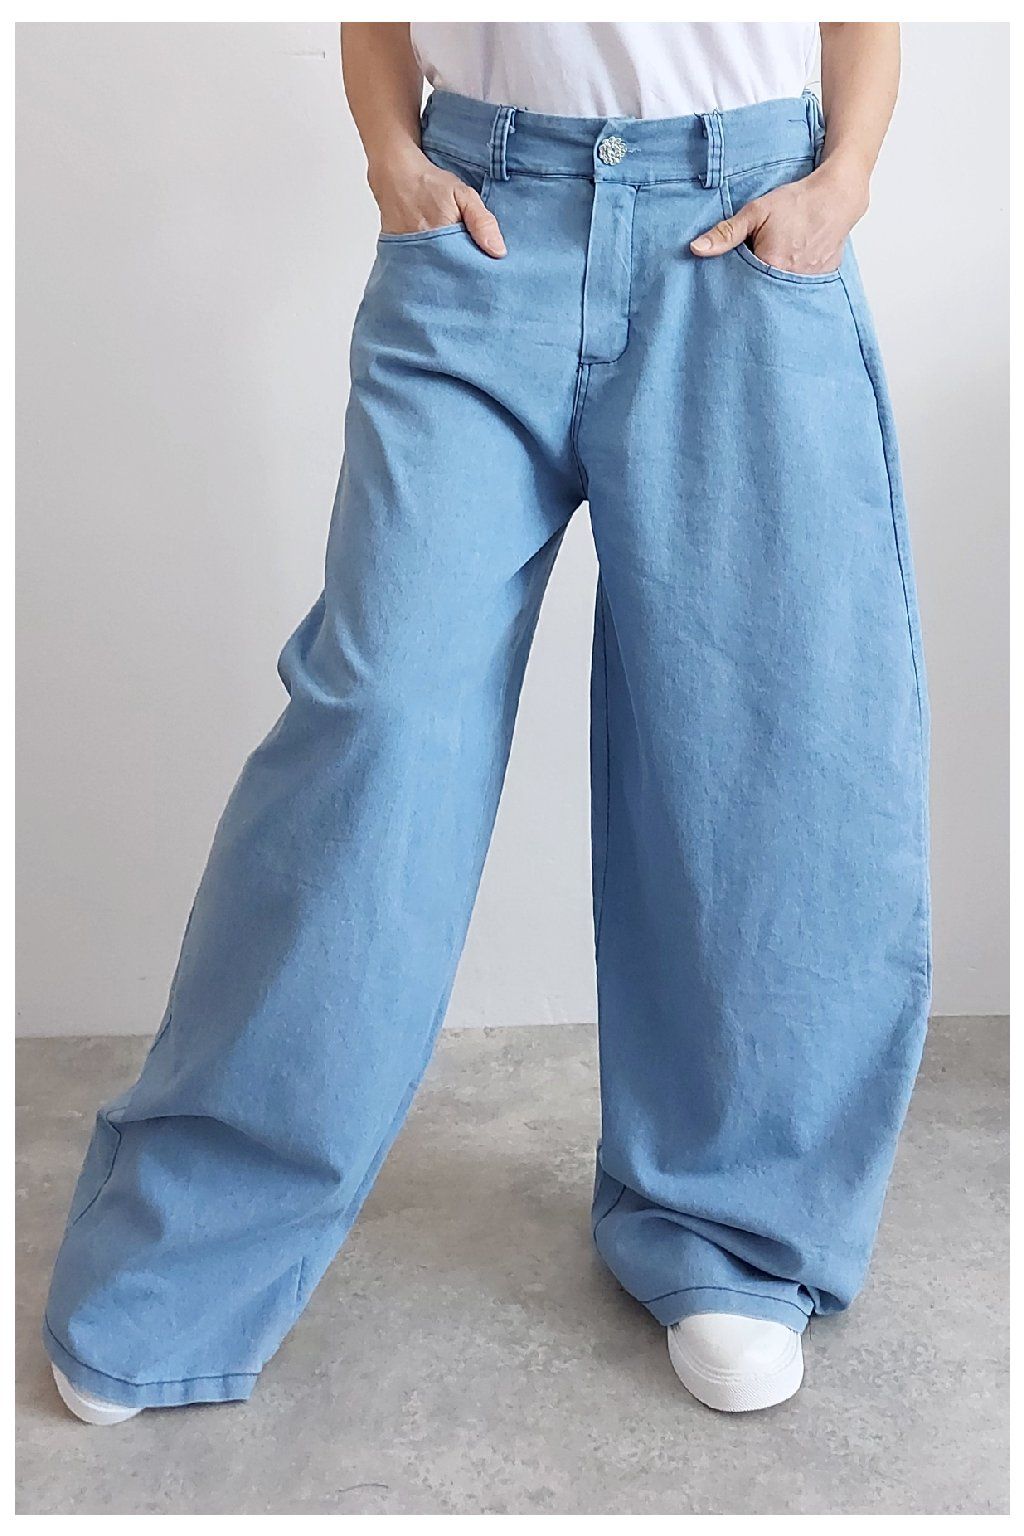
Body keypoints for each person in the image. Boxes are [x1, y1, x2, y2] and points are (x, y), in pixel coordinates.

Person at [44, 22, 929, 1424]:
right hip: (478, 224)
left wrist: (848, 175)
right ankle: (188, 1248)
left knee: (761, 742)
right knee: (379, 723)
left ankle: (729, 1231)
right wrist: (389, 153)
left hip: (743, 226)